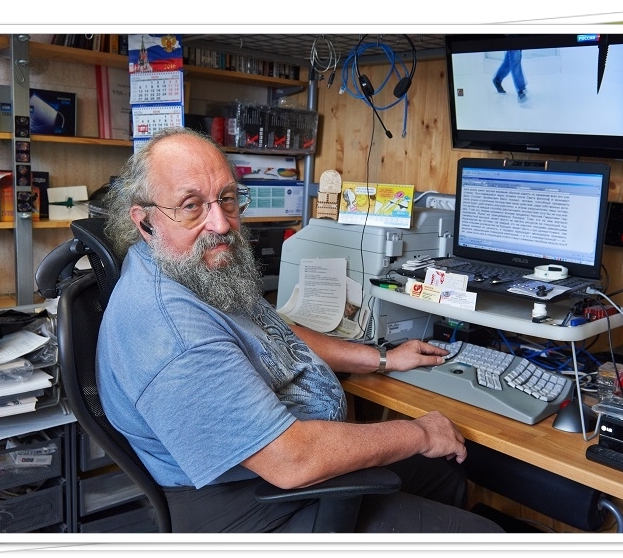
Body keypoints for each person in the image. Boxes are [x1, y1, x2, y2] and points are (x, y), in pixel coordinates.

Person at [96, 126, 504, 534]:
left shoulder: (192, 269)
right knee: (485, 534)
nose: (220, 224)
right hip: (255, 502)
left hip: (290, 464)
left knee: (444, 473)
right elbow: (290, 461)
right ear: (145, 222)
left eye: (227, 199)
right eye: (191, 206)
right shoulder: (173, 332)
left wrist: (382, 359)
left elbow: (276, 335)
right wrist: (418, 432)